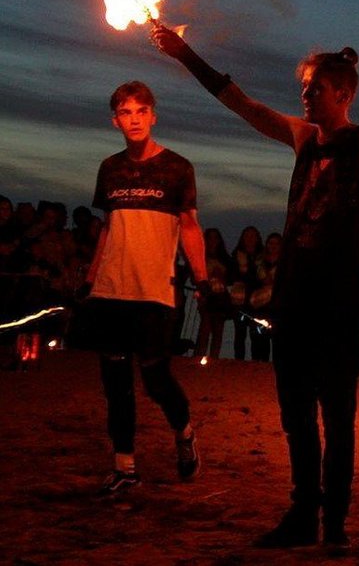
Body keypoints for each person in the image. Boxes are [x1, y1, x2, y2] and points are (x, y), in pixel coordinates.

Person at [152, 11, 359, 551]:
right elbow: (240, 103)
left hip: (339, 305)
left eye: (316, 89)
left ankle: (336, 526)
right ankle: (303, 515)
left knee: (339, 420)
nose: (306, 96)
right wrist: (184, 54)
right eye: (304, 88)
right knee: (295, 415)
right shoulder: (302, 138)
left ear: (344, 95)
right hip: (294, 302)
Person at [81, 81, 209, 495]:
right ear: (114, 120)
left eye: (140, 111)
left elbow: (189, 227)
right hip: (110, 289)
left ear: (153, 116)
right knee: (116, 383)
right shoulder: (109, 168)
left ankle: (184, 431)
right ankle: (125, 467)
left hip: (155, 291)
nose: (133, 119)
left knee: (155, 379)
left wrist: (203, 280)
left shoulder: (177, 167)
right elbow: (107, 228)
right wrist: (89, 280)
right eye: (124, 112)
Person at [195, 227, 232, 360]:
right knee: (205, 324)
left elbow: (230, 278)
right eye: (210, 237)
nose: (212, 240)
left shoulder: (225, 259)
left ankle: (213, 358)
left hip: (220, 297)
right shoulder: (201, 257)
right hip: (206, 295)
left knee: (218, 327)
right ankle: (200, 355)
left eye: (215, 237)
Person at [231, 225, 263, 360]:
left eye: (253, 236)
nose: (250, 238)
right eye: (247, 235)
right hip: (240, 299)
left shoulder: (263, 255)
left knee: (256, 331)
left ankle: (256, 360)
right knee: (240, 332)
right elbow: (232, 275)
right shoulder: (236, 254)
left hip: (256, 298)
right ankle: (239, 360)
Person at [248, 232, 282, 362]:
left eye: (276, 243)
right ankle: (257, 363)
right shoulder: (258, 263)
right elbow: (251, 280)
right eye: (270, 243)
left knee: (276, 337)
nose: (273, 246)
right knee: (258, 336)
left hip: (276, 305)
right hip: (259, 304)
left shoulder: (285, 263)